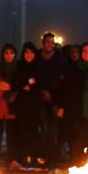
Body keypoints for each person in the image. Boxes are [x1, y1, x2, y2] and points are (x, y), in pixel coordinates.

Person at [38, 32, 67, 165]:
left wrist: (59, 100)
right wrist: (41, 91)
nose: (50, 45)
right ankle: (43, 157)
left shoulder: (60, 59)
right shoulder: (37, 57)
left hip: (56, 99)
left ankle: (55, 158)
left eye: (52, 42)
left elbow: (63, 80)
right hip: (40, 99)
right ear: (43, 43)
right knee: (44, 129)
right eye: (47, 42)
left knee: (55, 131)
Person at [12, 42, 43, 166]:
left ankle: (34, 157)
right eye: (26, 52)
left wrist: (27, 83)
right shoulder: (20, 65)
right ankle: (23, 156)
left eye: (31, 52)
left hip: (34, 103)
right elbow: (15, 83)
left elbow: (40, 82)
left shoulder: (39, 65)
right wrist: (28, 81)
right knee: (22, 130)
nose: (29, 55)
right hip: (22, 104)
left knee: (34, 131)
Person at [0, 44, 18, 162]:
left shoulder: (18, 68)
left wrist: (9, 87)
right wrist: (9, 86)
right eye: (6, 53)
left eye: (11, 53)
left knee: (12, 134)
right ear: (3, 54)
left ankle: (12, 159)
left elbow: (17, 85)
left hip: (12, 103)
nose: (9, 56)